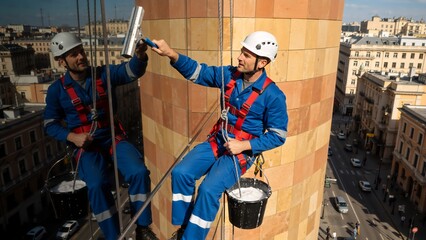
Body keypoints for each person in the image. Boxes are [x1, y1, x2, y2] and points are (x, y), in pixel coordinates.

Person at [150, 31, 288, 239]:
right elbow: (199, 72)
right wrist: (171, 54)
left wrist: (244, 147)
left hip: (240, 153)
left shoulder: (273, 96)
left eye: (247, 55)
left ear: (262, 63)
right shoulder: (229, 76)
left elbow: (278, 136)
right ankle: (184, 227)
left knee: (208, 190)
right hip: (219, 141)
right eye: (242, 52)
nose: (240, 57)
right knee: (181, 173)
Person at [44, 32, 157, 240]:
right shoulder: (56, 91)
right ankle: (113, 236)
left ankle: (142, 227)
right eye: (73, 55)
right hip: (86, 146)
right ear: (62, 62)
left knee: (139, 172)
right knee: (96, 186)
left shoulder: (103, 74)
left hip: (111, 136)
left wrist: (140, 57)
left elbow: (130, 72)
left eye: (81, 52)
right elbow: (49, 124)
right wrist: (72, 137)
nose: (81, 57)